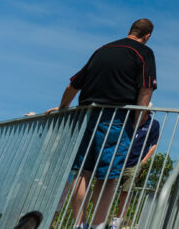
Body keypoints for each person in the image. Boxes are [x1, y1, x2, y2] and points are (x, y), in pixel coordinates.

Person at [48, 19, 157, 229]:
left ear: (129, 30)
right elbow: (146, 90)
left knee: (83, 171)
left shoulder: (102, 50)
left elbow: (74, 84)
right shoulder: (144, 53)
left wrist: (62, 107)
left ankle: (80, 224)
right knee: (109, 175)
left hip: (87, 117)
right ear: (147, 36)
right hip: (116, 118)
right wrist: (136, 121)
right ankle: (98, 225)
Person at [112, 117, 161, 229]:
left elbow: (154, 145)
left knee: (126, 192)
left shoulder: (153, 124)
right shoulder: (129, 118)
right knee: (108, 188)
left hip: (135, 163)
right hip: (118, 160)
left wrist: (142, 163)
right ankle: (102, 218)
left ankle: (116, 223)